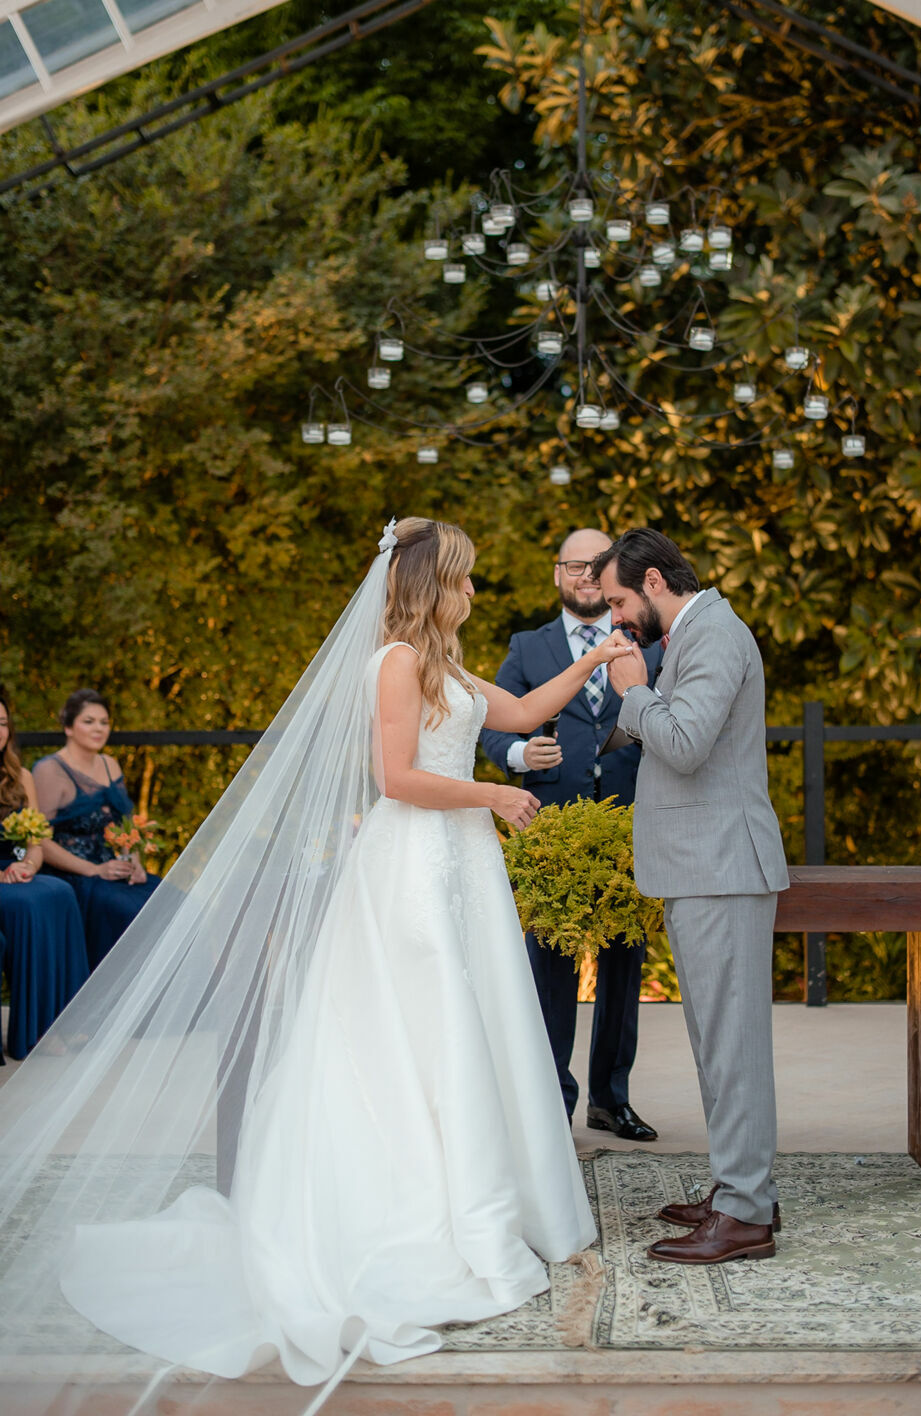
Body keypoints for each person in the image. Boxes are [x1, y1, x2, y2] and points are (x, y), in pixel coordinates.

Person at [0, 518, 632, 1413]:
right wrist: (492, 792)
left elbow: (525, 714)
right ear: (427, 586)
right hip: (412, 867)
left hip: (463, 870)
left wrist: (594, 659)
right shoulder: (395, 666)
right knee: (425, 1035)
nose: (474, 594)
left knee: (476, 1026)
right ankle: (427, 1213)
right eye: (463, 580)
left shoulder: (445, 665)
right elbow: (397, 778)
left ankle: (486, 1200)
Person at [594, 527, 789, 1267]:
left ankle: (744, 1216)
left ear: (651, 582)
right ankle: (740, 1191)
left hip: (722, 869)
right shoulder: (692, 633)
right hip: (702, 868)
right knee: (717, 1042)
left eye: (617, 599)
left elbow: (683, 743)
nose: (615, 617)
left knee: (733, 1046)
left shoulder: (713, 635)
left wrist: (631, 691)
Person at [481, 527, 660, 1139]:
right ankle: (551, 1102)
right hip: (549, 832)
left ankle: (612, 1098)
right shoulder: (527, 647)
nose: (587, 575)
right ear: (557, 574)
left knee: (623, 965)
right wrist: (516, 755)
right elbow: (488, 725)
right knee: (548, 969)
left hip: (628, 828)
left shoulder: (650, 643)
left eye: (599, 565)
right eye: (575, 565)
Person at [34, 690, 161, 969]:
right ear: (68, 727)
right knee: (132, 912)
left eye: (104, 722)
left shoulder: (110, 764)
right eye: (89, 721)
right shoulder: (49, 770)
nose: (99, 729)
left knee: (175, 904)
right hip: (75, 875)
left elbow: (124, 827)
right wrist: (93, 870)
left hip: (113, 869)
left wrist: (135, 863)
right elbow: (39, 841)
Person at [0, 686, 89, 1059]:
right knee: (29, 906)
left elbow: (36, 837)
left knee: (58, 892)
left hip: (17, 870)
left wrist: (28, 864)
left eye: (3, 723)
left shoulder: (20, 776)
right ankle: (32, 1035)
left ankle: (64, 1023)